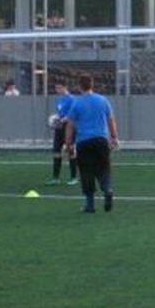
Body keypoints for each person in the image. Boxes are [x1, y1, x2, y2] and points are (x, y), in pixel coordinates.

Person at [64, 74, 118, 213]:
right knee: (104, 168)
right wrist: (114, 137)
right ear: (92, 85)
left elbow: (70, 124)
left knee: (86, 172)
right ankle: (108, 189)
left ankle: (90, 205)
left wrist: (68, 142)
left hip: (83, 142)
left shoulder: (76, 102)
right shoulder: (102, 100)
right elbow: (111, 119)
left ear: (79, 86)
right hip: (101, 140)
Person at [46, 82, 79, 186]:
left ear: (65, 87)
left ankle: (74, 177)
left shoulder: (72, 99)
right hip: (59, 128)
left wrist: (63, 119)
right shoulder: (58, 99)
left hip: (69, 127)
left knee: (70, 151)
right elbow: (60, 113)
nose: (58, 90)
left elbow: (72, 114)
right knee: (56, 151)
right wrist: (55, 119)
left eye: (60, 88)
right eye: (56, 88)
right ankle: (56, 178)